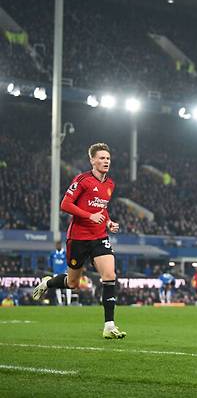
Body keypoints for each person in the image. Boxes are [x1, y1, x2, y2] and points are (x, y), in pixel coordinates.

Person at [32, 143, 125, 339]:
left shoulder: (110, 184)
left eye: (108, 158)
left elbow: (102, 208)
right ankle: (48, 283)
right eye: (101, 158)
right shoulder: (82, 180)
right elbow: (65, 204)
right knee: (72, 282)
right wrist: (89, 216)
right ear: (92, 160)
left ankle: (109, 326)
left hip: (99, 237)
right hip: (78, 238)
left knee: (109, 275)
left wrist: (108, 222)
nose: (106, 161)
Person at [49, 241, 71, 306]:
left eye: (58, 245)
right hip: (56, 273)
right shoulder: (53, 254)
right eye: (56, 245)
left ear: (61, 245)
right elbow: (50, 263)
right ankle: (60, 302)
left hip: (64, 273)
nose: (57, 246)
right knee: (57, 288)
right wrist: (52, 270)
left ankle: (69, 303)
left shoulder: (65, 253)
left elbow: (69, 261)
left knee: (68, 287)